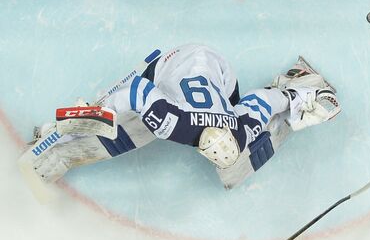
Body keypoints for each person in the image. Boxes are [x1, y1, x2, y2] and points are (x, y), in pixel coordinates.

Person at [19, 44, 341, 192]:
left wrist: (296, 96)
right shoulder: (174, 123)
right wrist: (93, 115)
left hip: (220, 72)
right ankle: (69, 150)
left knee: (233, 172)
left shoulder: (240, 128)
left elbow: (261, 99)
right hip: (169, 65)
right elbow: (136, 91)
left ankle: (67, 142)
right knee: (141, 129)